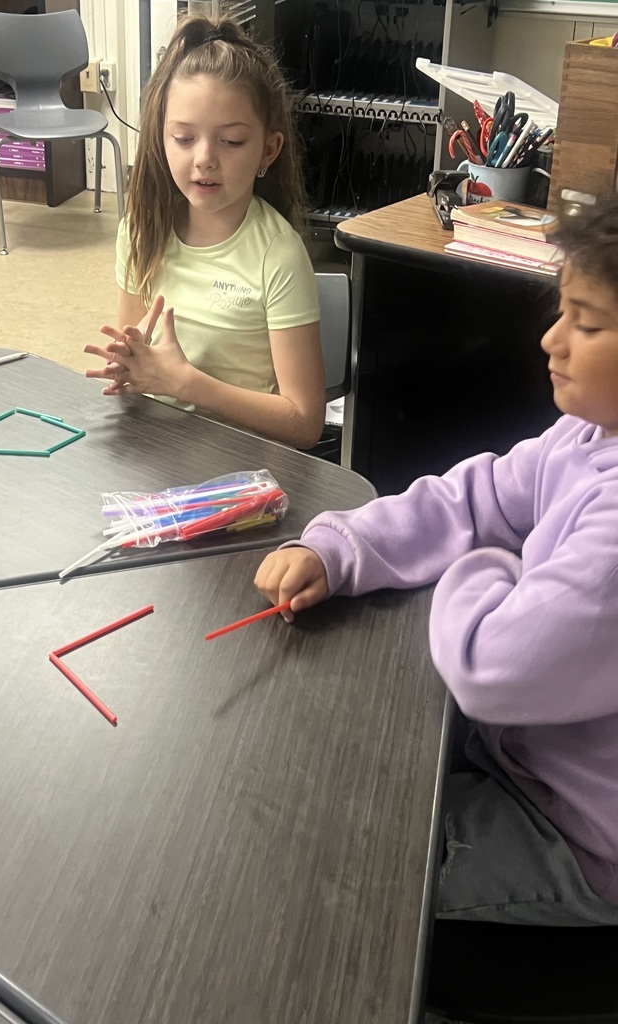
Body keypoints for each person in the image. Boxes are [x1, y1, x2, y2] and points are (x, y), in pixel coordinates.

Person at [254, 194, 618, 925]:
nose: (550, 340)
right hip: (523, 752)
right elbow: (476, 495)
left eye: (587, 322)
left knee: (346, 883)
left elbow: (490, 663)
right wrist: (342, 546)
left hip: (575, 835)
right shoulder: (586, 436)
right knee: (326, 766)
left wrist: (491, 567)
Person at [84, 13, 326, 451]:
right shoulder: (141, 230)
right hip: (155, 449)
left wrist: (188, 384)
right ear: (160, 138)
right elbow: (132, 357)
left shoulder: (278, 255)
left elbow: (305, 422)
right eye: (183, 138)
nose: (205, 159)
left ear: (267, 150)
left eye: (231, 141)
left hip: (238, 471)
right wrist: (127, 365)